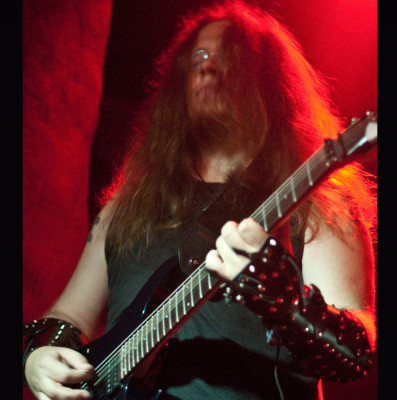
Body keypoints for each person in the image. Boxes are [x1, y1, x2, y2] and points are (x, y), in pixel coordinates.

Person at [23, 1, 377, 399]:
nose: (209, 68)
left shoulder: (317, 197)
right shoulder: (129, 203)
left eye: (230, 58)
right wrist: (38, 357)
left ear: (270, 79)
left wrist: (287, 304)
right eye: (198, 59)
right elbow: (69, 315)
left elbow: (355, 353)